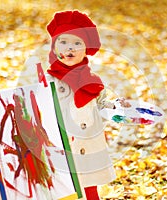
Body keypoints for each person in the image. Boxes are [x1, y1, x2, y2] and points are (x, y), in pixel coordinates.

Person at [45, 10, 116, 200]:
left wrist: (115, 106)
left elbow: (102, 104)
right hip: (62, 140)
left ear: (86, 49)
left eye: (77, 43)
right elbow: (39, 107)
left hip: (87, 139)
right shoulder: (48, 80)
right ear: (54, 47)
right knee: (63, 184)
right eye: (63, 42)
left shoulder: (92, 81)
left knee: (88, 180)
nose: (70, 48)